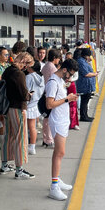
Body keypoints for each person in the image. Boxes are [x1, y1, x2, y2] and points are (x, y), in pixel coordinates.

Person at [45, 59, 79, 201]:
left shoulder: (59, 80)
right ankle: (54, 186)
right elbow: (49, 104)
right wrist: (67, 99)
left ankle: (57, 179)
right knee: (59, 152)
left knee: (60, 152)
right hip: (57, 120)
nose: (70, 78)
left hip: (62, 118)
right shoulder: (53, 82)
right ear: (64, 70)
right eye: (69, 74)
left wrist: (69, 98)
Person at [0, 52, 35, 179]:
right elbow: (23, 94)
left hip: (7, 108)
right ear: (24, 62)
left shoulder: (8, 70)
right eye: (26, 65)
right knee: (20, 138)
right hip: (18, 108)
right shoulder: (19, 74)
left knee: (8, 136)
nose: (25, 68)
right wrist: (29, 95)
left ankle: (4, 165)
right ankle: (19, 170)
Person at [41, 49, 62, 148]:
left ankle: (47, 139)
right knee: (49, 119)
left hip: (46, 93)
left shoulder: (46, 66)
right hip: (50, 95)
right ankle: (48, 139)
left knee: (47, 118)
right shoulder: (52, 67)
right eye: (58, 58)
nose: (59, 60)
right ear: (54, 58)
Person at [25, 61, 44, 155]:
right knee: (33, 127)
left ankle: (25, 145)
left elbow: (26, 91)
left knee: (24, 127)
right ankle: (32, 147)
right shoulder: (41, 77)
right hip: (35, 104)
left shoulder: (28, 77)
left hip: (27, 105)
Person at [76, 48, 98, 122]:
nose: (89, 57)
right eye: (89, 56)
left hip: (87, 84)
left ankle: (85, 115)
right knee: (84, 101)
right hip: (85, 84)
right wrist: (94, 74)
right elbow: (86, 74)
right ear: (86, 55)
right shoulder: (81, 62)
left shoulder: (83, 61)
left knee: (85, 101)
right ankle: (83, 116)